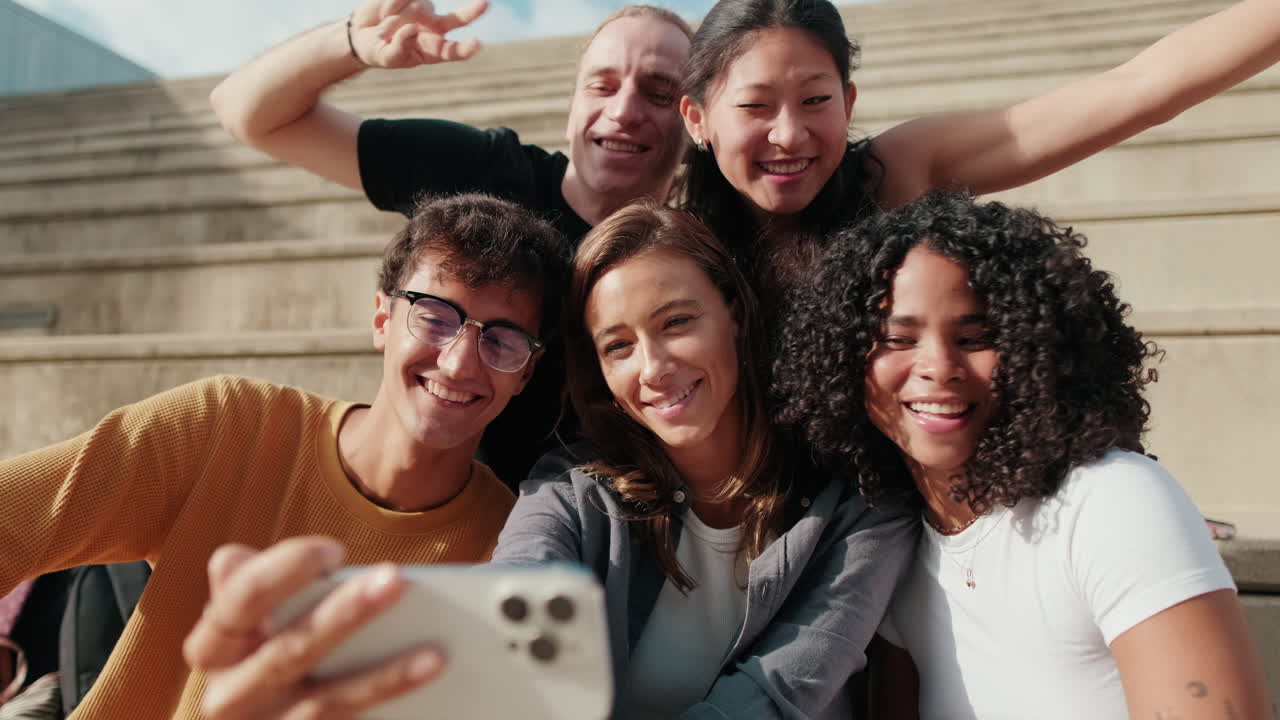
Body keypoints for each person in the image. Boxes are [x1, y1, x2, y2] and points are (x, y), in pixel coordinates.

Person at [184, 202, 918, 719]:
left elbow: (783, 691)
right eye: (619, 345)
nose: (654, 367)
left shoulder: (860, 499)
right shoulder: (571, 492)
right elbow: (514, 608)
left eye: (677, 322)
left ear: (733, 312)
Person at [0, 193, 568, 720]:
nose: (460, 361)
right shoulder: (223, 422)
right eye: (436, 316)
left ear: (527, 373)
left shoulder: (509, 552)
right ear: (381, 320)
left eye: (502, 339)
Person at [772, 190, 1271, 720]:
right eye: (898, 338)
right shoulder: (896, 539)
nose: (938, 366)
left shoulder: (1112, 502)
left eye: (977, 336)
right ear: (842, 363)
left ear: (1040, 347)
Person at [210, 0, 694, 487]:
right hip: (448, 511)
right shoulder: (484, 173)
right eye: (602, 86)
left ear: (694, 120)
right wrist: (352, 41)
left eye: (658, 93)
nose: (624, 110)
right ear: (572, 106)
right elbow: (244, 113)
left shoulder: (700, 249)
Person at [678, 0, 1280, 299]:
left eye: (815, 100)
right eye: (755, 107)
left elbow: (1139, 89)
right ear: (698, 119)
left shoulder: (891, 174)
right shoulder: (667, 240)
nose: (789, 134)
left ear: (849, 101)